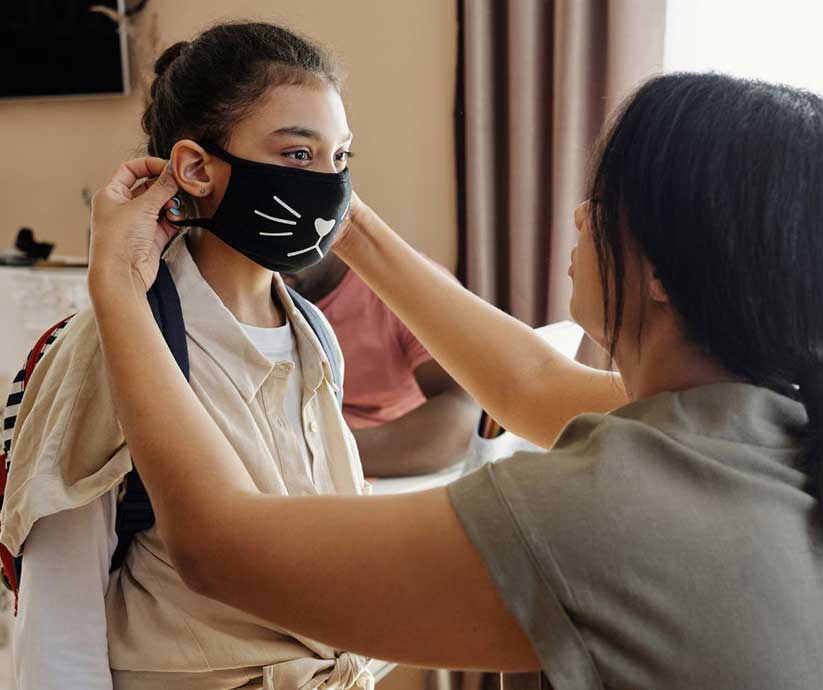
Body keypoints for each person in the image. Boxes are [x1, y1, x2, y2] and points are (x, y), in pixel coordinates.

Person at [88, 72, 823, 689]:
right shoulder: (769, 420)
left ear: (664, 272)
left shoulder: (612, 513)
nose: (577, 214)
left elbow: (218, 548)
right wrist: (325, 200)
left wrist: (117, 282)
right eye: (307, 152)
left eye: (604, 202)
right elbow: (533, 386)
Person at [1, 22, 374, 690]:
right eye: (297, 156)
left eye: (340, 159)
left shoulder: (313, 332)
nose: (328, 185)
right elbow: (59, 617)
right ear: (197, 168)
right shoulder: (112, 339)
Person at [284, 254, 479, 476]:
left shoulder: (406, 283)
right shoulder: (261, 287)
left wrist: (317, 453)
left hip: (390, 469)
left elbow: (467, 415)